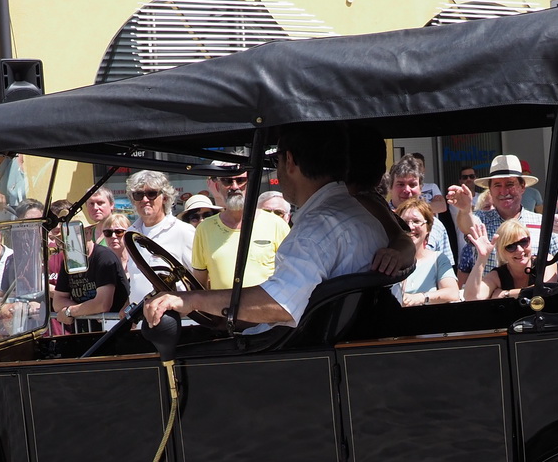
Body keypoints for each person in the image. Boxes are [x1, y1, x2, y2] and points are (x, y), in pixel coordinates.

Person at [142, 122, 385, 332]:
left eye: (275, 160)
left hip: (297, 353)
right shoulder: (360, 213)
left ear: (289, 160)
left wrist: (191, 299)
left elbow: (280, 304)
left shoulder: (316, 230)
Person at [449, 155, 551, 276]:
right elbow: (468, 227)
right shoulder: (481, 219)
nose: (504, 192)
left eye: (509, 184)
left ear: (522, 187)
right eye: (497, 185)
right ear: (490, 190)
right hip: (490, 293)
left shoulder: (542, 222)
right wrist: (465, 209)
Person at [192, 175, 289, 290]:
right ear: (218, 187)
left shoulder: (276, 224)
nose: (234, 187)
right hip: (222, 307)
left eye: (240, 180)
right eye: (227, 181)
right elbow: (199, 284)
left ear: (252, 184)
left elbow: (292, 276)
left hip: (266, 307)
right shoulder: (204, 229)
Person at [392, 199, 461, 306]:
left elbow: (452, 292)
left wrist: (421, 297)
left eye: (416, 221)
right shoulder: (389, 260)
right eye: (404, 222)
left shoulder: (438, 259)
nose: (410, 227)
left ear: (428, 227)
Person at [463, 218, 548, 300]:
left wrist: (506, 294)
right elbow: (472, 297)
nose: (520, 250)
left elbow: (547, 289)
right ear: (502, 252)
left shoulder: (545, 261)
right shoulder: (497, 276)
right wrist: (482, 258)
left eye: (523, 242)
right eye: (510, 246)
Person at [126, 170, 194, 271]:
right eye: (138, 195)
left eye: (151, 194)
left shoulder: (183, 231)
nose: (145, 200)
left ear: (165, 198)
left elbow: (198, 278)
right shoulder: (130, 234)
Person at [388, 155, 453, 260]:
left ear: (421, 188)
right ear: (390, 187)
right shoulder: (378, 222)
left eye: (412, 184)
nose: (407, 190)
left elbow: (446, 267)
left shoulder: (437, 226)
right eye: (400, 184)